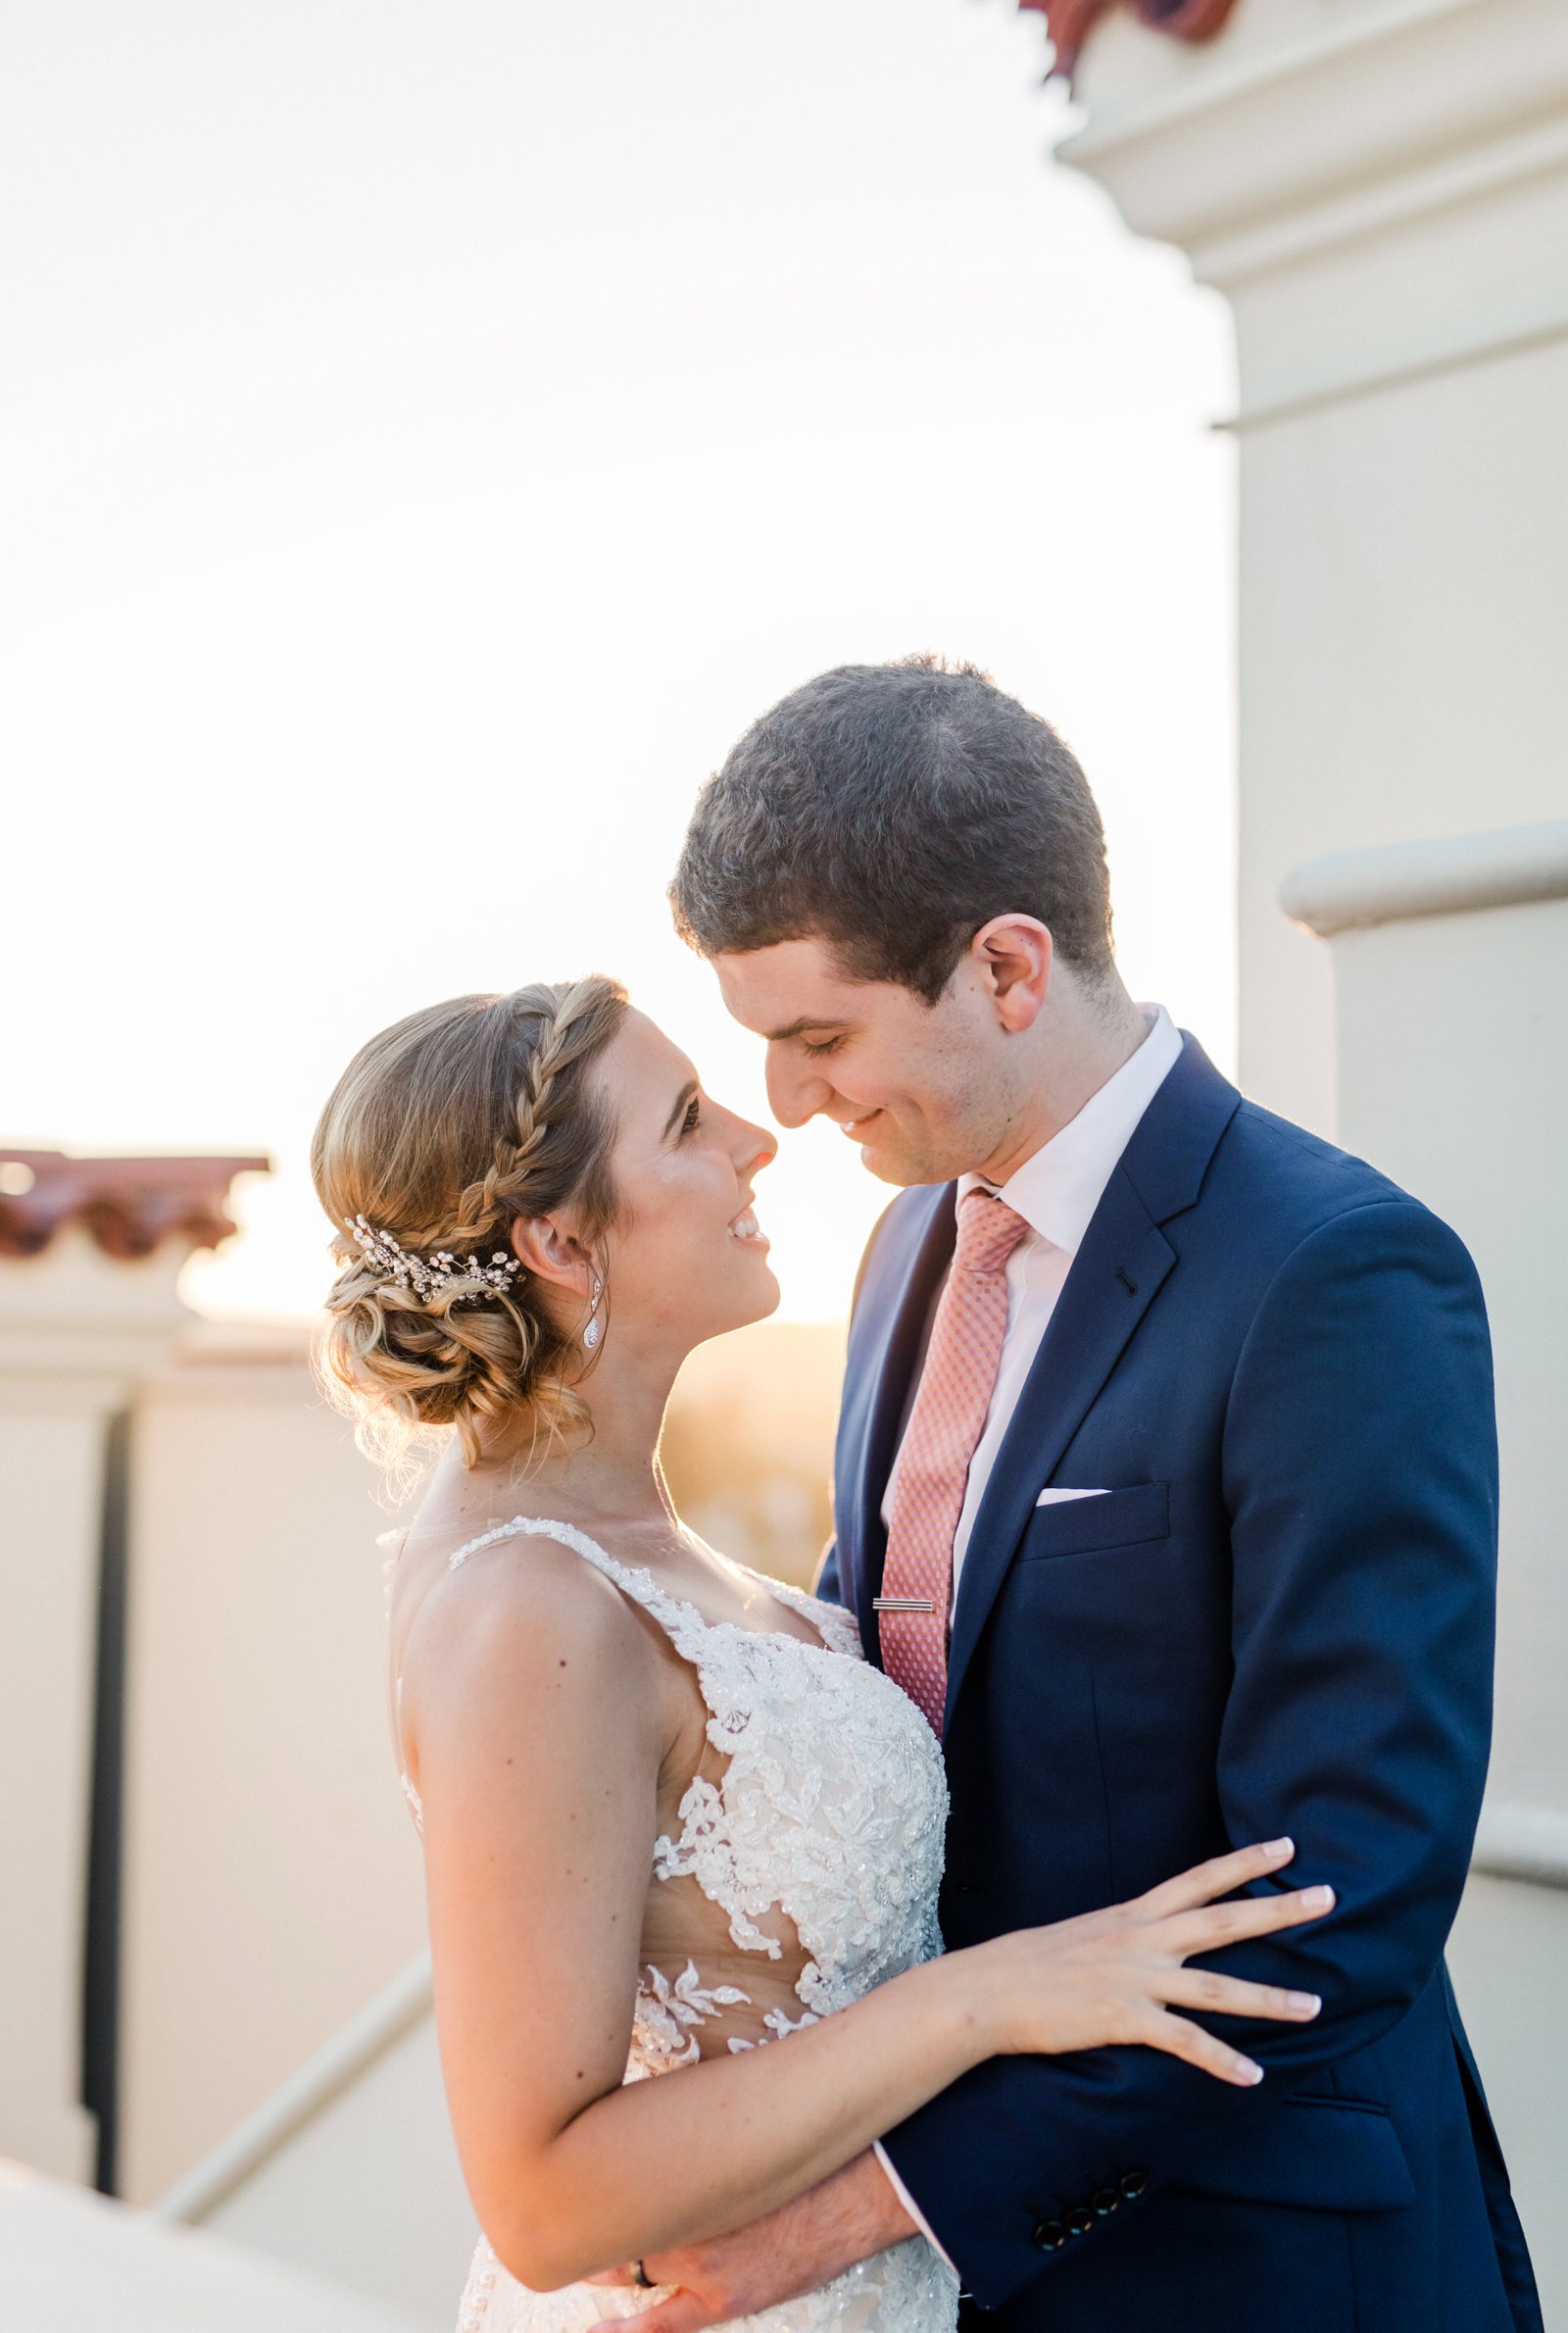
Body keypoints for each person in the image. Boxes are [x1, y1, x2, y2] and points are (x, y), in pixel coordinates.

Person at [652, 654, 1543, 2333]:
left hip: (1246, 2262)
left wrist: (857, 2209)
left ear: (1003, 966)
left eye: (820, 1036)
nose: (784, 1102)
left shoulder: (1338, 1276)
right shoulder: (912, 1236)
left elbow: (1332, 1901)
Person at [312, 979, 1334, 2333]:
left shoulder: (627, 1535)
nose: (757, 1133)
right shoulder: (526, 1610)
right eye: (685, 1119)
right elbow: (545, 2205)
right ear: (561, 1240)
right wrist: (985, 2000)